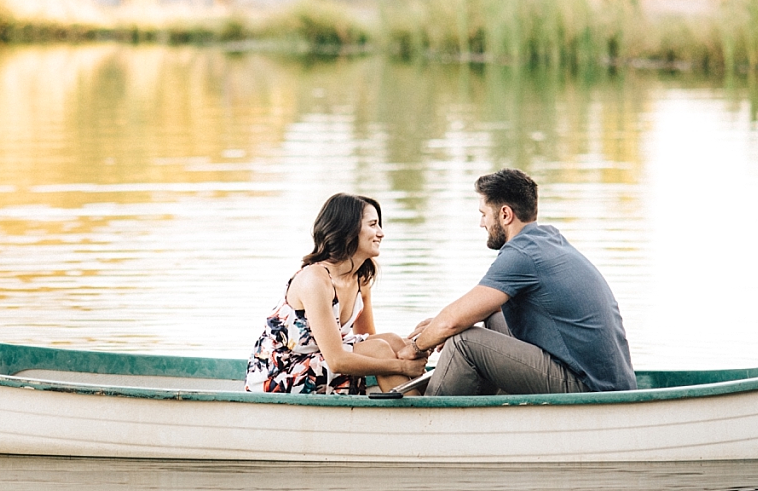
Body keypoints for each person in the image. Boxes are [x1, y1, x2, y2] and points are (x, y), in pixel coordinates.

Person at [400, 169, 635, 396]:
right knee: (494, 318)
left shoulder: (521, 254)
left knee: (463, 341)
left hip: (588, 387)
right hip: (606, 380)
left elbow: (451, 322)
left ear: (505, 214)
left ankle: (427, 423)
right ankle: (482, 407)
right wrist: (438, 327)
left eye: (484, 214)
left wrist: (415, 348)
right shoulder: (547, 239)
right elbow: (475, 310)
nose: (481, 223)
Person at [246, 194, 427, 395]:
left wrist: (412, 346)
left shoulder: (361, 278)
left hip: (319, 361)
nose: (381, 233)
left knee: (393, 341)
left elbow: (368, 337)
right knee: (380, 350)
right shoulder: (315, 280)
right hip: (279, 374)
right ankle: (421, 418)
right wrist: (401, 367)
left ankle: (429, 404)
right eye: (373, 224)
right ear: (347, 230)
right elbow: (337, 360)